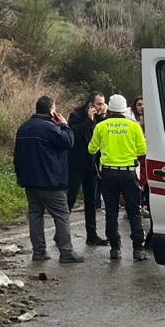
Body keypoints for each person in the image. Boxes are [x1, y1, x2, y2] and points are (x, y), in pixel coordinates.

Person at [14, 96, 84, 263]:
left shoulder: (23, 128)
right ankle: (66, 252)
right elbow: (69, 142)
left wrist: (20, 177)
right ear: (52, 111)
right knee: (61, 215)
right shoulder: (51, 128)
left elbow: (17, 156)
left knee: (35, 215)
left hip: (30, 180)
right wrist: (64, 125)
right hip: (50, 181)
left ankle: (39, 252)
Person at [89, 93, 149, 261]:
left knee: (111, 211)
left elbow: (92, 149)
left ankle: (115, 248)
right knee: (134, 210)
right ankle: (138, 249)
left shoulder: (101, 126)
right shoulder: (134, 126)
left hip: (108, 173)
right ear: (124, 109)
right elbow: (142, 151)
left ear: (110, 108)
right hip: (129, 173)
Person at [66, 93, 109, 246]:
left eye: (103, 104)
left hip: (92, 164)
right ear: (90, 105)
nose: (101, 107)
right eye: (98, 104)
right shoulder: (76, 115)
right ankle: (62, 234)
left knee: (91, 201)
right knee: (70, 198)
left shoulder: (101, 117)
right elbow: (74, 135)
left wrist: (102, 117)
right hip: (76, 163)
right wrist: (88, 120)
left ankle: (92, 235)